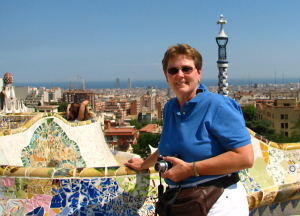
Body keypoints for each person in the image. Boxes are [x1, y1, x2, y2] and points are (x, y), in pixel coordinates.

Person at [125, 44, 254, 215]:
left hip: (220, 200)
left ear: (198, 73)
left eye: (186, 69)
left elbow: (245, 158)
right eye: (173, 70)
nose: (180, 75)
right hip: (183, 201)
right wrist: (144, 164)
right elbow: (168, 147)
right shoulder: (170, 108)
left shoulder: (218, 105)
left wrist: (191, 169)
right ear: (166, 76)